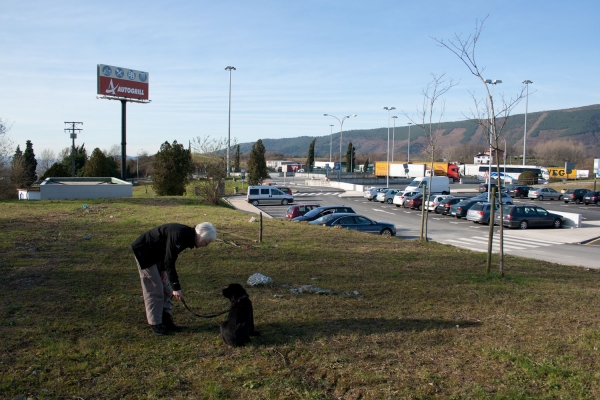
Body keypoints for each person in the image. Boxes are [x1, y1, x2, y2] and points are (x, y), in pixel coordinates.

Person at [131, 222, 217, 335]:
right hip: (144, 251)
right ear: (201, 237)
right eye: (206, 242)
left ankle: (165, 320)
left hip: (157, 253)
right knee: (155, 288)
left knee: (166, 288)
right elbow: (169, 261)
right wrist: (176, 287)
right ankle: (155, 323)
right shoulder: (180, 235)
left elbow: (168, 254)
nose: (206, 245)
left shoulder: (187, 237)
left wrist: (163, 270)